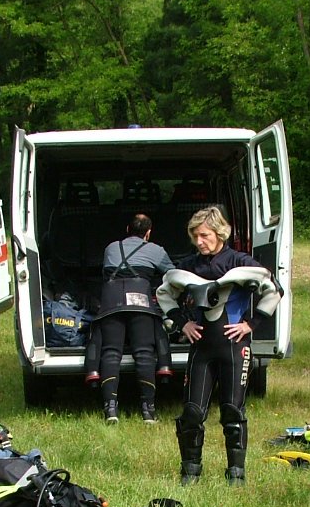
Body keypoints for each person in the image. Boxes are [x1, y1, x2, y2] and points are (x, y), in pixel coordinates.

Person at [160, 206, 280, 485]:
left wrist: (251, 323)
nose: (199, 241)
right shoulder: (190, 265)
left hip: (234, 347)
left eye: (204, 235)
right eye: (195, 236)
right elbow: (165, 292)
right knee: (191, 412)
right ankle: (190, 471)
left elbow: (273, 290)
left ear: (219, 232)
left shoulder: (239, 261)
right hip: (201, 347)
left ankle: (236, 474)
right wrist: (182, 323)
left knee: (233, 412)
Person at [91, 214, 176, 424]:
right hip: (141, 303)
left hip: (111, 303)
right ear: (148, 232)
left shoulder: (111, 248)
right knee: (144, 353)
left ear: (127, 228)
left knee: (111, 353)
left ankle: (110, 409)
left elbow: (106, 273)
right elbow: (173, 276)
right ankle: (148, 411)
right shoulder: (156, 250)